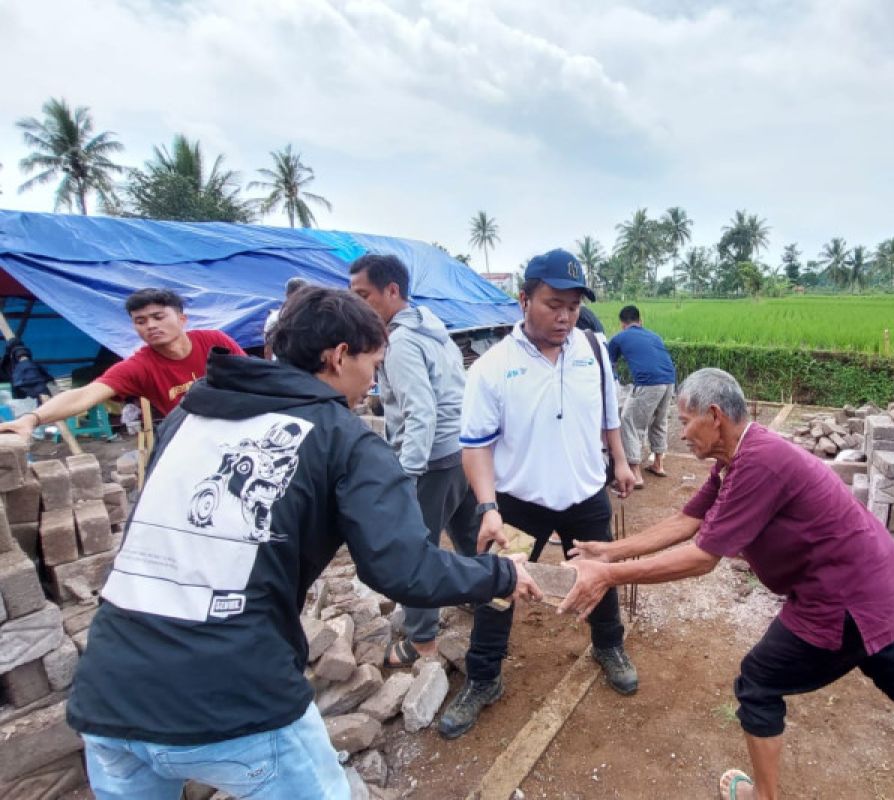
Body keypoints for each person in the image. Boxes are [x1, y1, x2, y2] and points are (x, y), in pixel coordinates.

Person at [66, 286, 541, 800]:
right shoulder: (344, 438)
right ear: (338, 357)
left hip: (107, 695)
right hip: (237, 699)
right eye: (373, 364)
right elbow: (405, 571)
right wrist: (502, 573)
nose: (374, 380)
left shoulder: (188, 417)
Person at [559, 368, 894, 800]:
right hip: (873, 579)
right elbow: (686, 521)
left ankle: (764, 796)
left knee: (759, 683)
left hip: (841, 596)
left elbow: (702, 559)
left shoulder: (758, 462)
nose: (681, 432)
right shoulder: (737, 456)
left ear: (714, 416)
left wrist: (609, 576)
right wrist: (610, 552)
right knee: (885, 654)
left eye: (685, 420)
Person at [439, 247, 639, 740]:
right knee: (498, 591)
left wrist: (621, 460)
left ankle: (607, 645)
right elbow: (476, 447)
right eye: (553, 304)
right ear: (524, 299)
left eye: (573, 305)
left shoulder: (593, 350)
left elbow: (609, 414)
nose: (565, 315)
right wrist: (486, 507)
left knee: (601, 575)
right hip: (519, 501)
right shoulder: (491, 367)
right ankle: (484, 678)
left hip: (585, 491)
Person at [348, 253, 479, 666]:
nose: (357, 303)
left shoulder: (401, 342)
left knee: (415, 550)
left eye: (363, 294)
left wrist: (407, 473)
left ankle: (423, 641)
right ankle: (480, 595)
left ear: (392, 291)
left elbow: (421, 411)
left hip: (430, 460)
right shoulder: (433, 327)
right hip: (459, 452)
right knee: (467, 534)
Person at [0, 287, 244, 439]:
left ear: (182, 319)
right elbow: (85, 395)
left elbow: (253, 377)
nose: (150, 325)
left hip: (240, 425)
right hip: (194, 438)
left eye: (158, 317)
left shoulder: (215, 341)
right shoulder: (140, 366)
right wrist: (30, 419)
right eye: (140, 321)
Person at [606, 304, 676, 487]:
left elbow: (608, 363)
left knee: (628, 420)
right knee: (659, 421)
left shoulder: (620, 337)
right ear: (640, 321)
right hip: (669, 381)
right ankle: (658, 464)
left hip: (648, 382)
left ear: (622, 324)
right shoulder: (654, 336)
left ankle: (635, 473)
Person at [263, 277, 308, 360]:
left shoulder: (274, 317)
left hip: (281, 366)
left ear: (286, 294)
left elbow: (268, 349)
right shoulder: (315, 317)